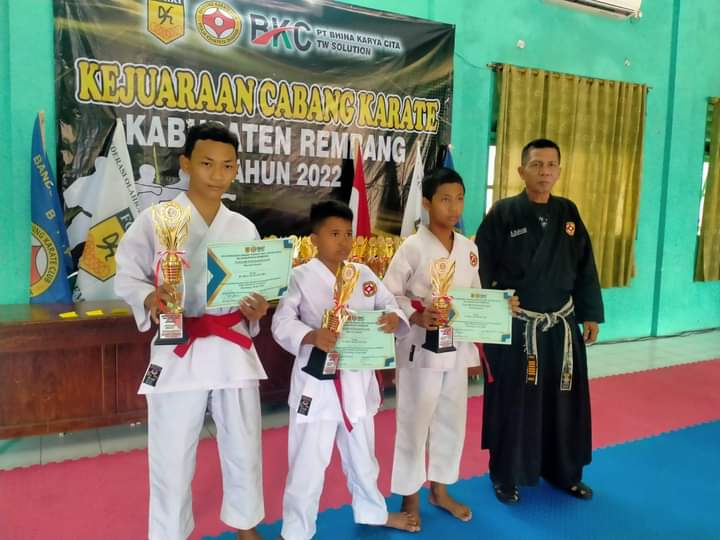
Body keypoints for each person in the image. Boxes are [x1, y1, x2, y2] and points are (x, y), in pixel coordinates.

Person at [115, 123, 270, 540]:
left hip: (231, 346)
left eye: (227, 166)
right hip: (178, 343)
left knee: (244, 445)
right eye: (207, 163)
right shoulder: (156, 220)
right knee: (171, 452)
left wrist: (257, 310)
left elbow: (254, 290)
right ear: (185, 164)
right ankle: (169, 532)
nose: (218, 174)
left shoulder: (243, 227)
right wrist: (150, 297)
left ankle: (245, 525)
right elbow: (126, 275)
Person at [271, 200, 420, 540]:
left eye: (348, 234)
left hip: (356, 382)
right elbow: (281, 323)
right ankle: (295, 530)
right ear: (314, 239)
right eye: (334, 234)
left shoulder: (363, 274)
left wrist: (393, 318)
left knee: (363, 457)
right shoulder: (299, 277)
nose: (343, 241)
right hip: (316, 386)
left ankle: (372, 512)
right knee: (307, 464)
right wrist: (311, 335)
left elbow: (390, 304)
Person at [474, 138, 604, 504]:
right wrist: (494, 305)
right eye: (536, 164)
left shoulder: (568, 212)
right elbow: (480, 267)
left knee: (563, 401)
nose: (544, 171)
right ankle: (505, 475)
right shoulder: (503, 213)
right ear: (521, 171)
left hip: (561, 327)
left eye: (551, 165)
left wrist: (590, 313)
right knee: (513, 402)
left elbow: (585, 265)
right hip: (518, 326)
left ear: (559, 170)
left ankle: (563, 472)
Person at [383, 167, 515, 527]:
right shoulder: (412, 248)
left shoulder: (469, 249)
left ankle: (439, 490)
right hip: (420, 351)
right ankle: (409, 497)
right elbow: (388, 296)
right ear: (426, 203)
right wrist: (416, 313)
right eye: (445, 199)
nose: (454, 207)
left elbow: (473, 298)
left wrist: (499, 308)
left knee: (451, 421)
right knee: (414, 422)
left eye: (459, 199)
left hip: (455, 350)